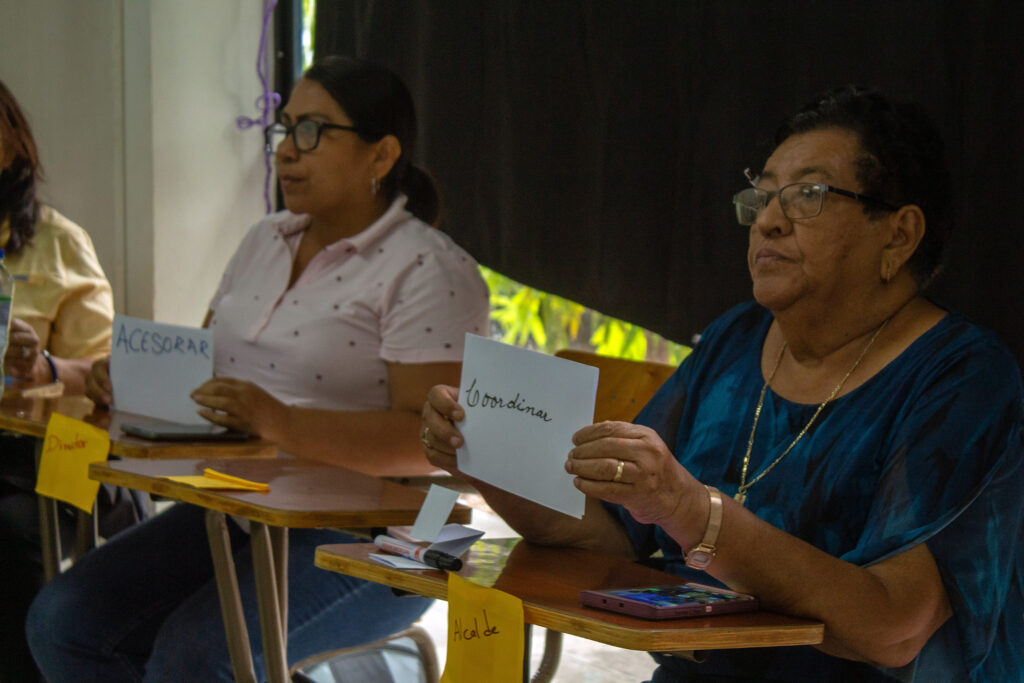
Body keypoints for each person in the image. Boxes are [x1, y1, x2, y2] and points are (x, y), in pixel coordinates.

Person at [420, 86, 1023, 682]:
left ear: (898, 233)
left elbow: (894, 627)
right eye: (761, 199)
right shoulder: (739, 339)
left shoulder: (961, 377)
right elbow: (611, 540)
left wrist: (692, 510)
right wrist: (484, 457)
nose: (768, 223)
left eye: (806, 196)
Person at [27, 56, 490, 682]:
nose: (287, 152)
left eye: (313, 131)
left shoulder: (428, 270)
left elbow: (432, 445)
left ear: (380, 157)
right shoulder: (264, 239)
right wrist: (128, 378)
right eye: (285, 128)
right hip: (240, 510)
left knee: (196, 658)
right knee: (64, 620)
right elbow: (207, 368)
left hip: (387, 536)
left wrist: (282, 423)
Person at [0, 78, 143, 683]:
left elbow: (113, 379)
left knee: (10, 535)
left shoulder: (58, 244)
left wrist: (44, 368)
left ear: (14, 147)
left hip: (49, 454)